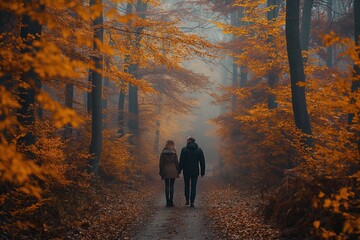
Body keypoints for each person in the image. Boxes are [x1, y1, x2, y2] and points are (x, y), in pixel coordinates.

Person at [179, 136, 205, 207]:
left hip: (186, 171)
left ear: (188, 141)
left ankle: (187, 200)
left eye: (187, 140)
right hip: (195, 171)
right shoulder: (199, 150)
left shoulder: (184, 149)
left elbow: (181, 161)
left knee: (187, 185)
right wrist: (202, 171)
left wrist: (179, 170)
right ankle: (192, 202)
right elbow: (202, 162)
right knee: (193, 186)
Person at [159, 140, 180, 207]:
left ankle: (167, 201)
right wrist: (178, 170)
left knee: (167, 185)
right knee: (171, 186)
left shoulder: (163, 153)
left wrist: (161, 170)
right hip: (173, 170)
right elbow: (176, 163)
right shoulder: (174, 152)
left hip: (165, 170)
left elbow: (161, 163)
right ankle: (171, 201)